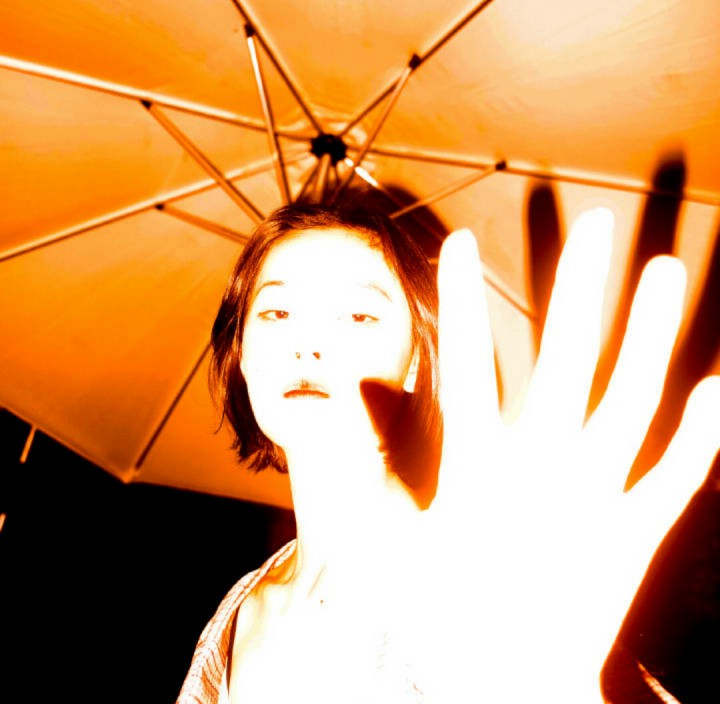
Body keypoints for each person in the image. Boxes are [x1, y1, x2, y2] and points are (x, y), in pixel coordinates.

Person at [177, 199, 720, 703]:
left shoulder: (488, 579)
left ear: (417, 362)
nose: (308, 345)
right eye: (277, 313)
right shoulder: (239, 608)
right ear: (241, 352)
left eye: (359, 316)